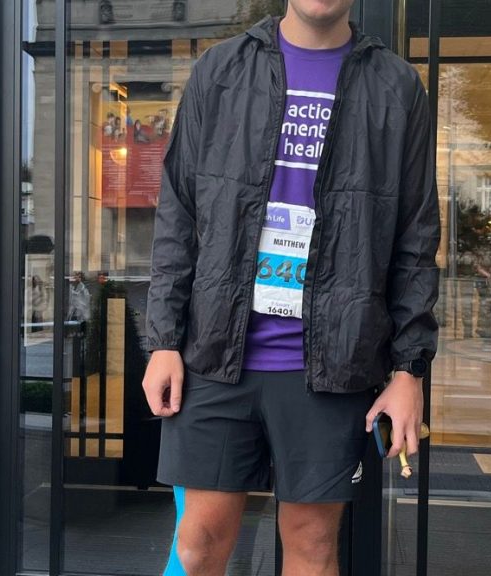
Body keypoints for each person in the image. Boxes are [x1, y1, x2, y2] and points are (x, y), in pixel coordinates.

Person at [143, 2, 439, 575]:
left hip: (330, 365)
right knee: (199, 543)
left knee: (312, 545)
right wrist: (162, 340)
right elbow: (178, 214)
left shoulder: (396, 86)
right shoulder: (221, 70)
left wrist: (409, 370)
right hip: (215, 356)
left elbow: (415, 236)